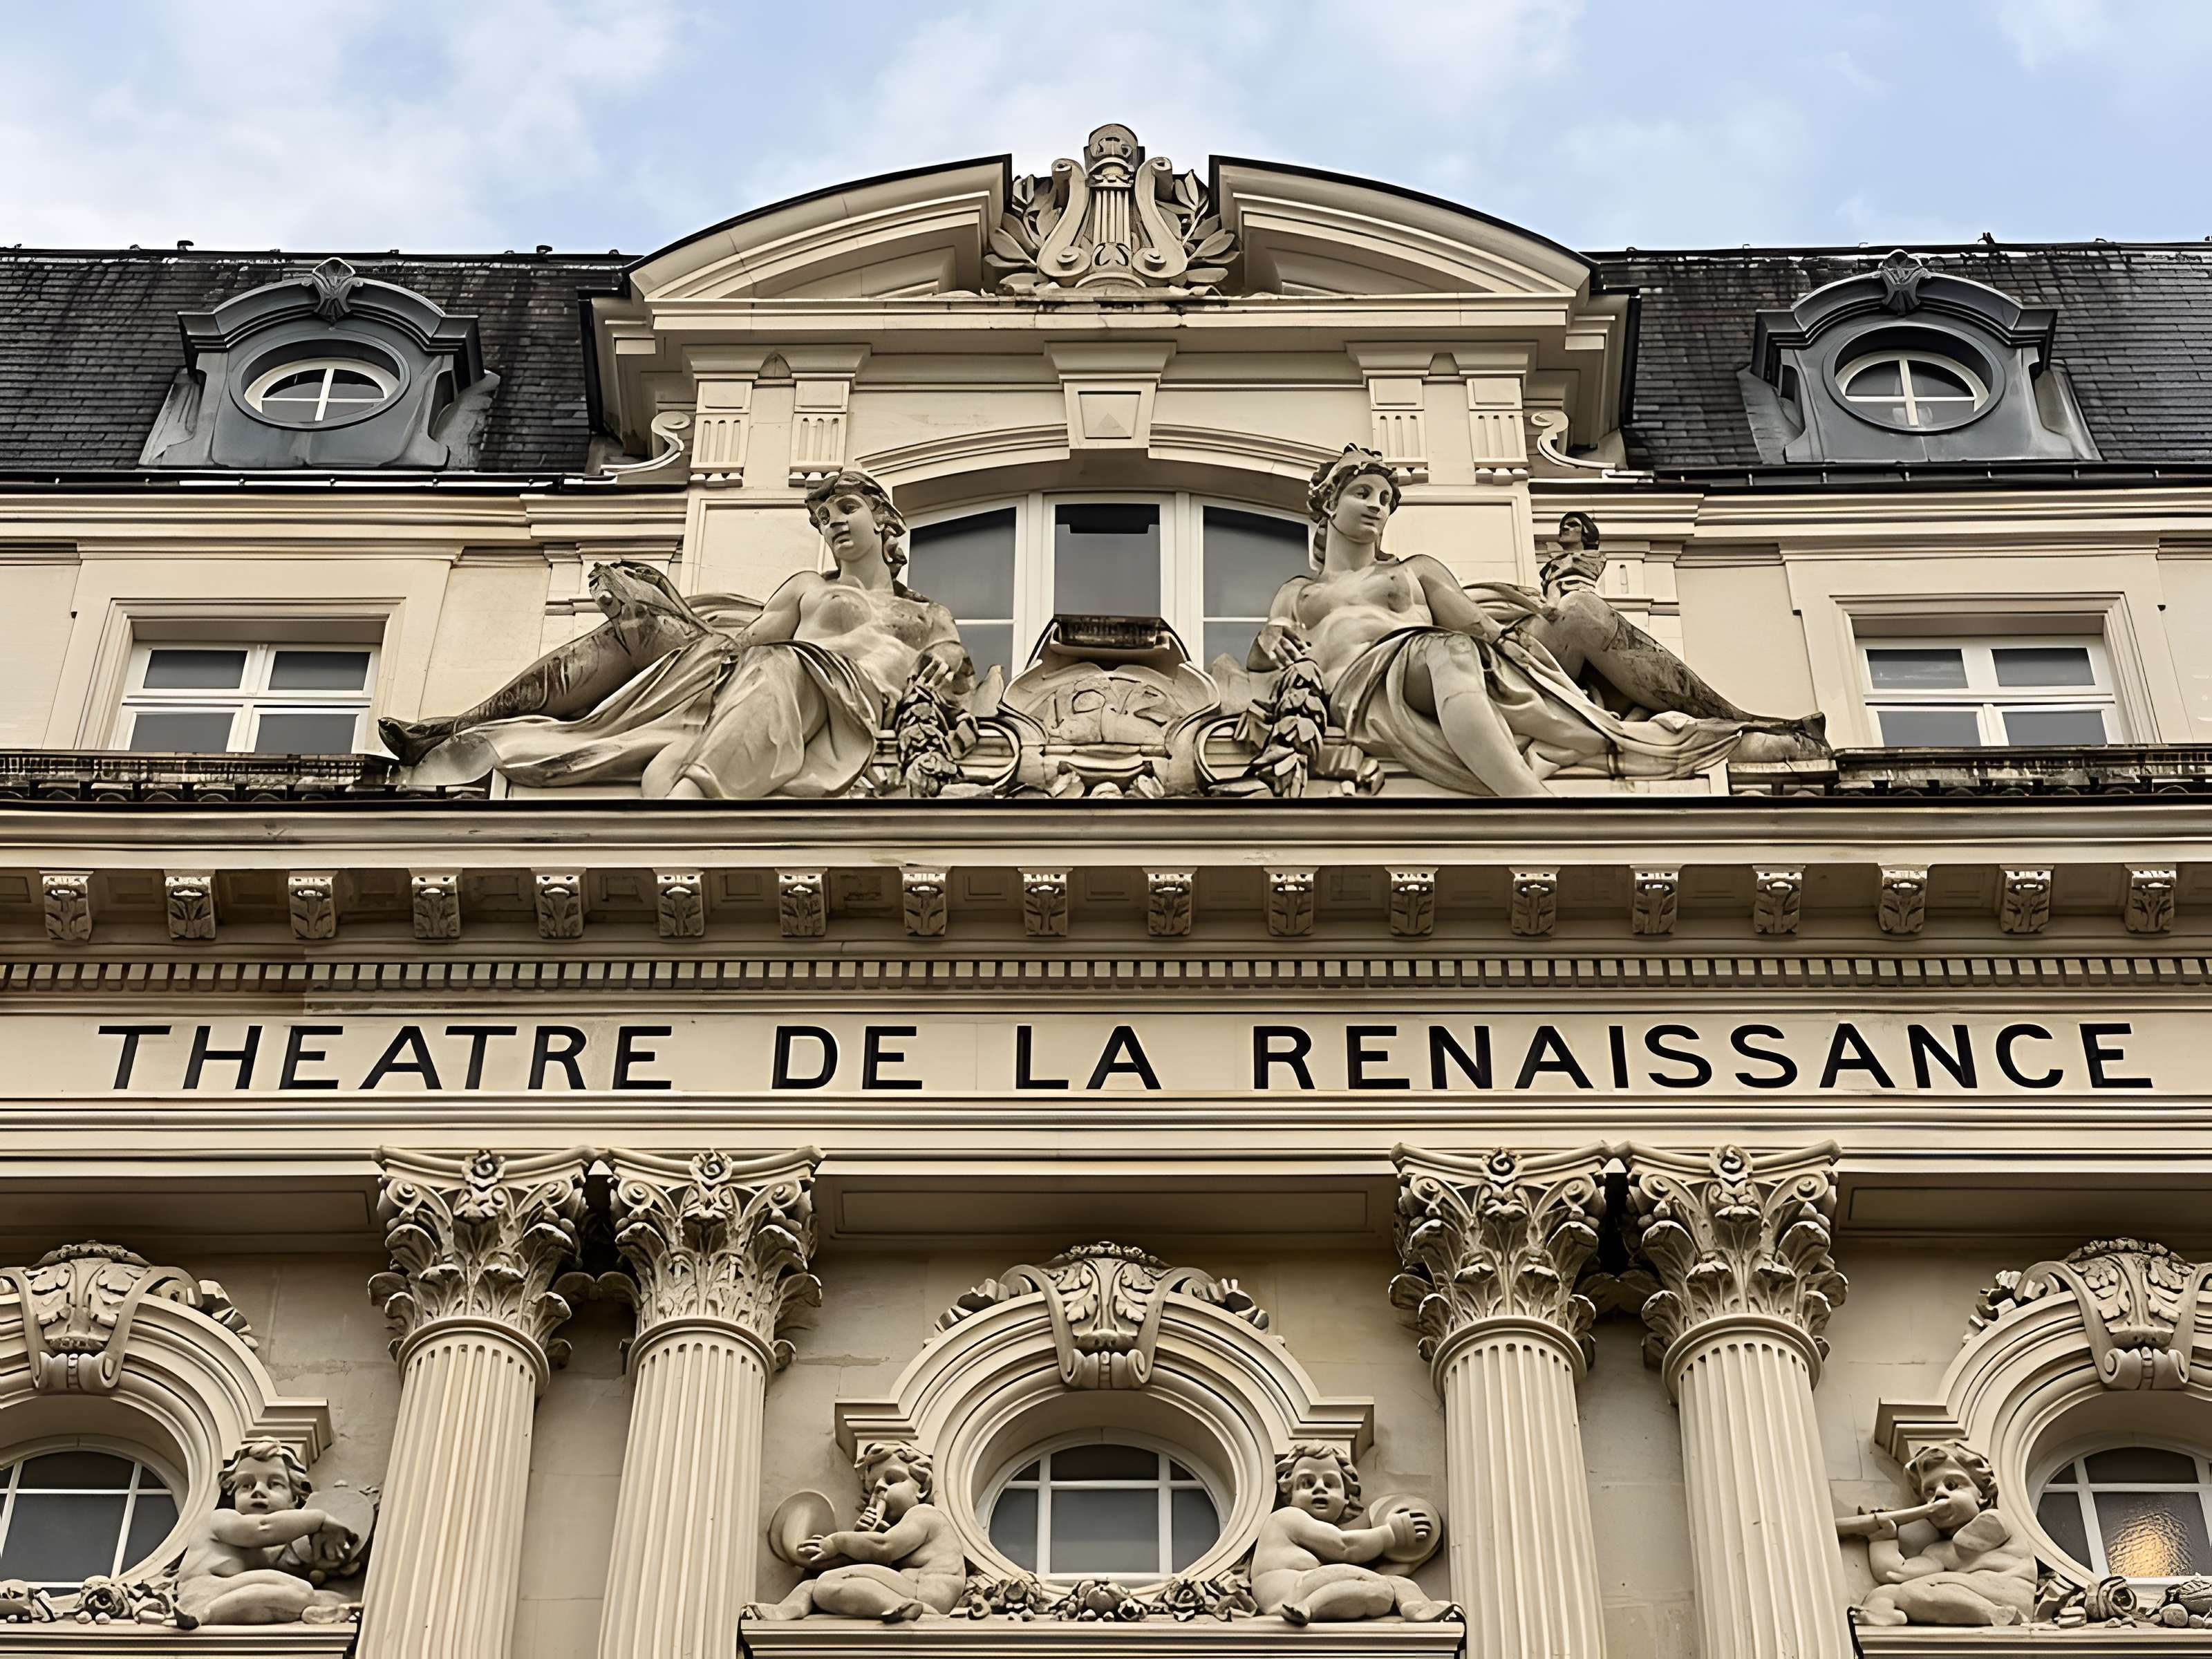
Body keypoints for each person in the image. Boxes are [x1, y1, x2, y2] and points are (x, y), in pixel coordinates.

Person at [1251, 446, 1821, 797]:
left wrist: (1545, 621)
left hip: (1442, 661)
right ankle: (1529, 800)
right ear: (1329, 505)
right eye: (1362, 494)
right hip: (1368, 689)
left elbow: (1479, 627)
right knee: (1449, 652)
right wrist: (1272, 640)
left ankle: (1740, 725)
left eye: (1385, 497)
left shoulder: (1415, 571)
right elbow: (1265, 652)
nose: (1377, 505)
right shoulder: (1301, 593)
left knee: (1580, 614)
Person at [388, 469, 971, 800]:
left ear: (886, 522)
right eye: (824, 519)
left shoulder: (927, 617)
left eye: (846, 509)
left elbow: (952, 663)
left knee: (782, 664)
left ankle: (694, 797)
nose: (834, 523)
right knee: (734, 654)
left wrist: (946, 657)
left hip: (860, 709)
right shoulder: (808, 590)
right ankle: (466, 725)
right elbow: (745, 645)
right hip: (791, 685)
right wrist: (664, 626)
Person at [748, 1441, 967, 1622]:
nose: (880, 1489)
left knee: (829, 1584)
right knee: (816, 1585)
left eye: (892, 1480)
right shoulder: (897, 1529)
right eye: (872, 1489)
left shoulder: (925, 1514)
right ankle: (785, 1612)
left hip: (927, 1592)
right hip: (908, 1588)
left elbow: (885, 1548)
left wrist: (838, 1542)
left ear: (923, 1489)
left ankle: (921, 1612)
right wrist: (861, 1536)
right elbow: (876, 1557)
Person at [1250, 1444, 1454, 1625]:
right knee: (1377, 1580)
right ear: (1289, 1493)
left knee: (1380, 1591)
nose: (1319, 1488)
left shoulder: (1316, 1549)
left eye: (1330, 1484)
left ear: (1347, 1498)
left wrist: (1408, 1565)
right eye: (1307, 1483)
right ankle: (1306, 1606)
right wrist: (1391, 1534)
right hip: (1287, 1592)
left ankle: (1414, 1607)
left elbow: (1363, 1573)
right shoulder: (1288, 1517)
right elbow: (1345, 1547)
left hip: (1304, 1591)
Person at [1850, 1443, 2036, 1628]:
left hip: (2007, 1593)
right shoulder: (1939, 1550)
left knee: (1915, 1588)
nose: (1939, 1494)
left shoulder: (1994, 1521)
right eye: (1930, 1492)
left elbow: (1964, 1547)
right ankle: (1880, 1614)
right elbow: (1896, 1572)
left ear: (1982, 1496)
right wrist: (1883, 1539)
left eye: (1952, 1485)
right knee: (1887, 1593)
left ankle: (1996, 1613)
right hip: (1962, 1591)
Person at [174, 1441, 357, 1627]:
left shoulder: (272, 1551)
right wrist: (319, 1519)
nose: (258, 1491)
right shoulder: (220, 1520)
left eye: (274, 1484)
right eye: (246, 1485)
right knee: (300, 1591)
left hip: (239, 1601)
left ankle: (316, 1610)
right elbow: (264, 1527)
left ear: (295, 1499)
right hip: (203, 1592)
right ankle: (202, 1613)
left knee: (304, 1594)